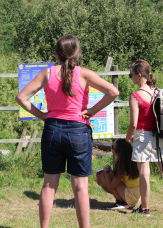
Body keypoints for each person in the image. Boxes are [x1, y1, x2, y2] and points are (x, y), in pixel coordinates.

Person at [16, 34, 119, 228]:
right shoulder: (85, 74)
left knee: (48, 185)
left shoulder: (47, 73)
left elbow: (21, 98)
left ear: (56, 55)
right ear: (78, 54)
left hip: (52, 130)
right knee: (80, 187)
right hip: (79, 130)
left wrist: (43, 115)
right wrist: (92, 111)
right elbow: (113, 92)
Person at [125, 59, 163, 217]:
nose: (130, 77)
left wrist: (128, 138)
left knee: (144, 172)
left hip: (142, 136)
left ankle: (145, 208)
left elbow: (133, 124)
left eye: (131, 74)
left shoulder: (135, 96)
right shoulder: (159, 92)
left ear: (139, 75)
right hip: (160, 135)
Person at [96, 139, 140, 210]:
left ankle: (120, 202)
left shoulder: (122, 166)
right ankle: (121, 201)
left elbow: (111, 186)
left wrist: (106, 172)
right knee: (104, 176)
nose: (111, 146)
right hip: (135, 195)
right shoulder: (130, 160)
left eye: (112, 146)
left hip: (131, 197)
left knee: (106, 177)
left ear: (118, 152)